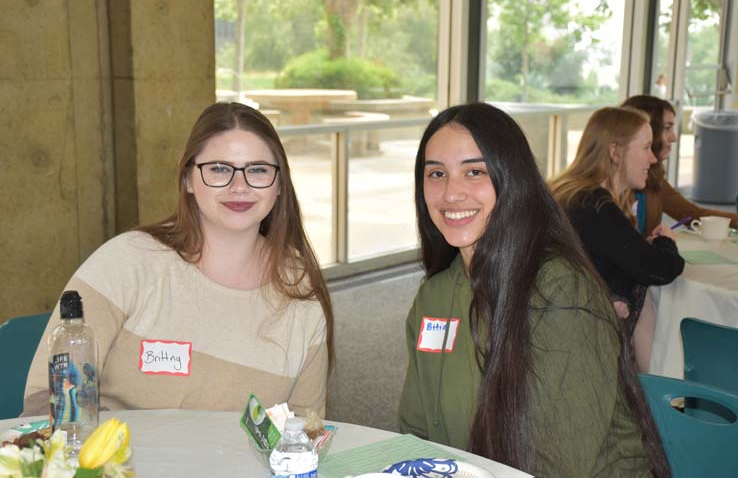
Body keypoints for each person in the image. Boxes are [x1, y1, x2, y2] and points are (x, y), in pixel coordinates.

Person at [399, 103, 669, 477]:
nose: (451, 193)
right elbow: (416, 434)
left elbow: (559, 466)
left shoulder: (559, 292)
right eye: (436, 174)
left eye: (474, 171)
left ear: (511, 178)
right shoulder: (434, 297)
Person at [24, 102, 333, 417]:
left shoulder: (300, 289)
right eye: (219, 169)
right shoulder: (127, 262)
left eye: (257, 170)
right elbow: (46, 400)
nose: (239, 186)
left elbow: (306, 431)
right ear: (188, 179)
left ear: (280, 185)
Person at [550, 107, 684, 372]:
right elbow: (660, 270)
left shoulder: (573, 193)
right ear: (615, 152)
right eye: (646, 148)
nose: (654, 158)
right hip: (575, 340)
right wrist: (665, 242)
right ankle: (653, 400)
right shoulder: (594, 204)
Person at [622, 94, 738, 236]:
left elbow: (692, 214)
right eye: (667, 128)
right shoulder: (612, 185)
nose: (674, 138)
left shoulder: (652, 176)